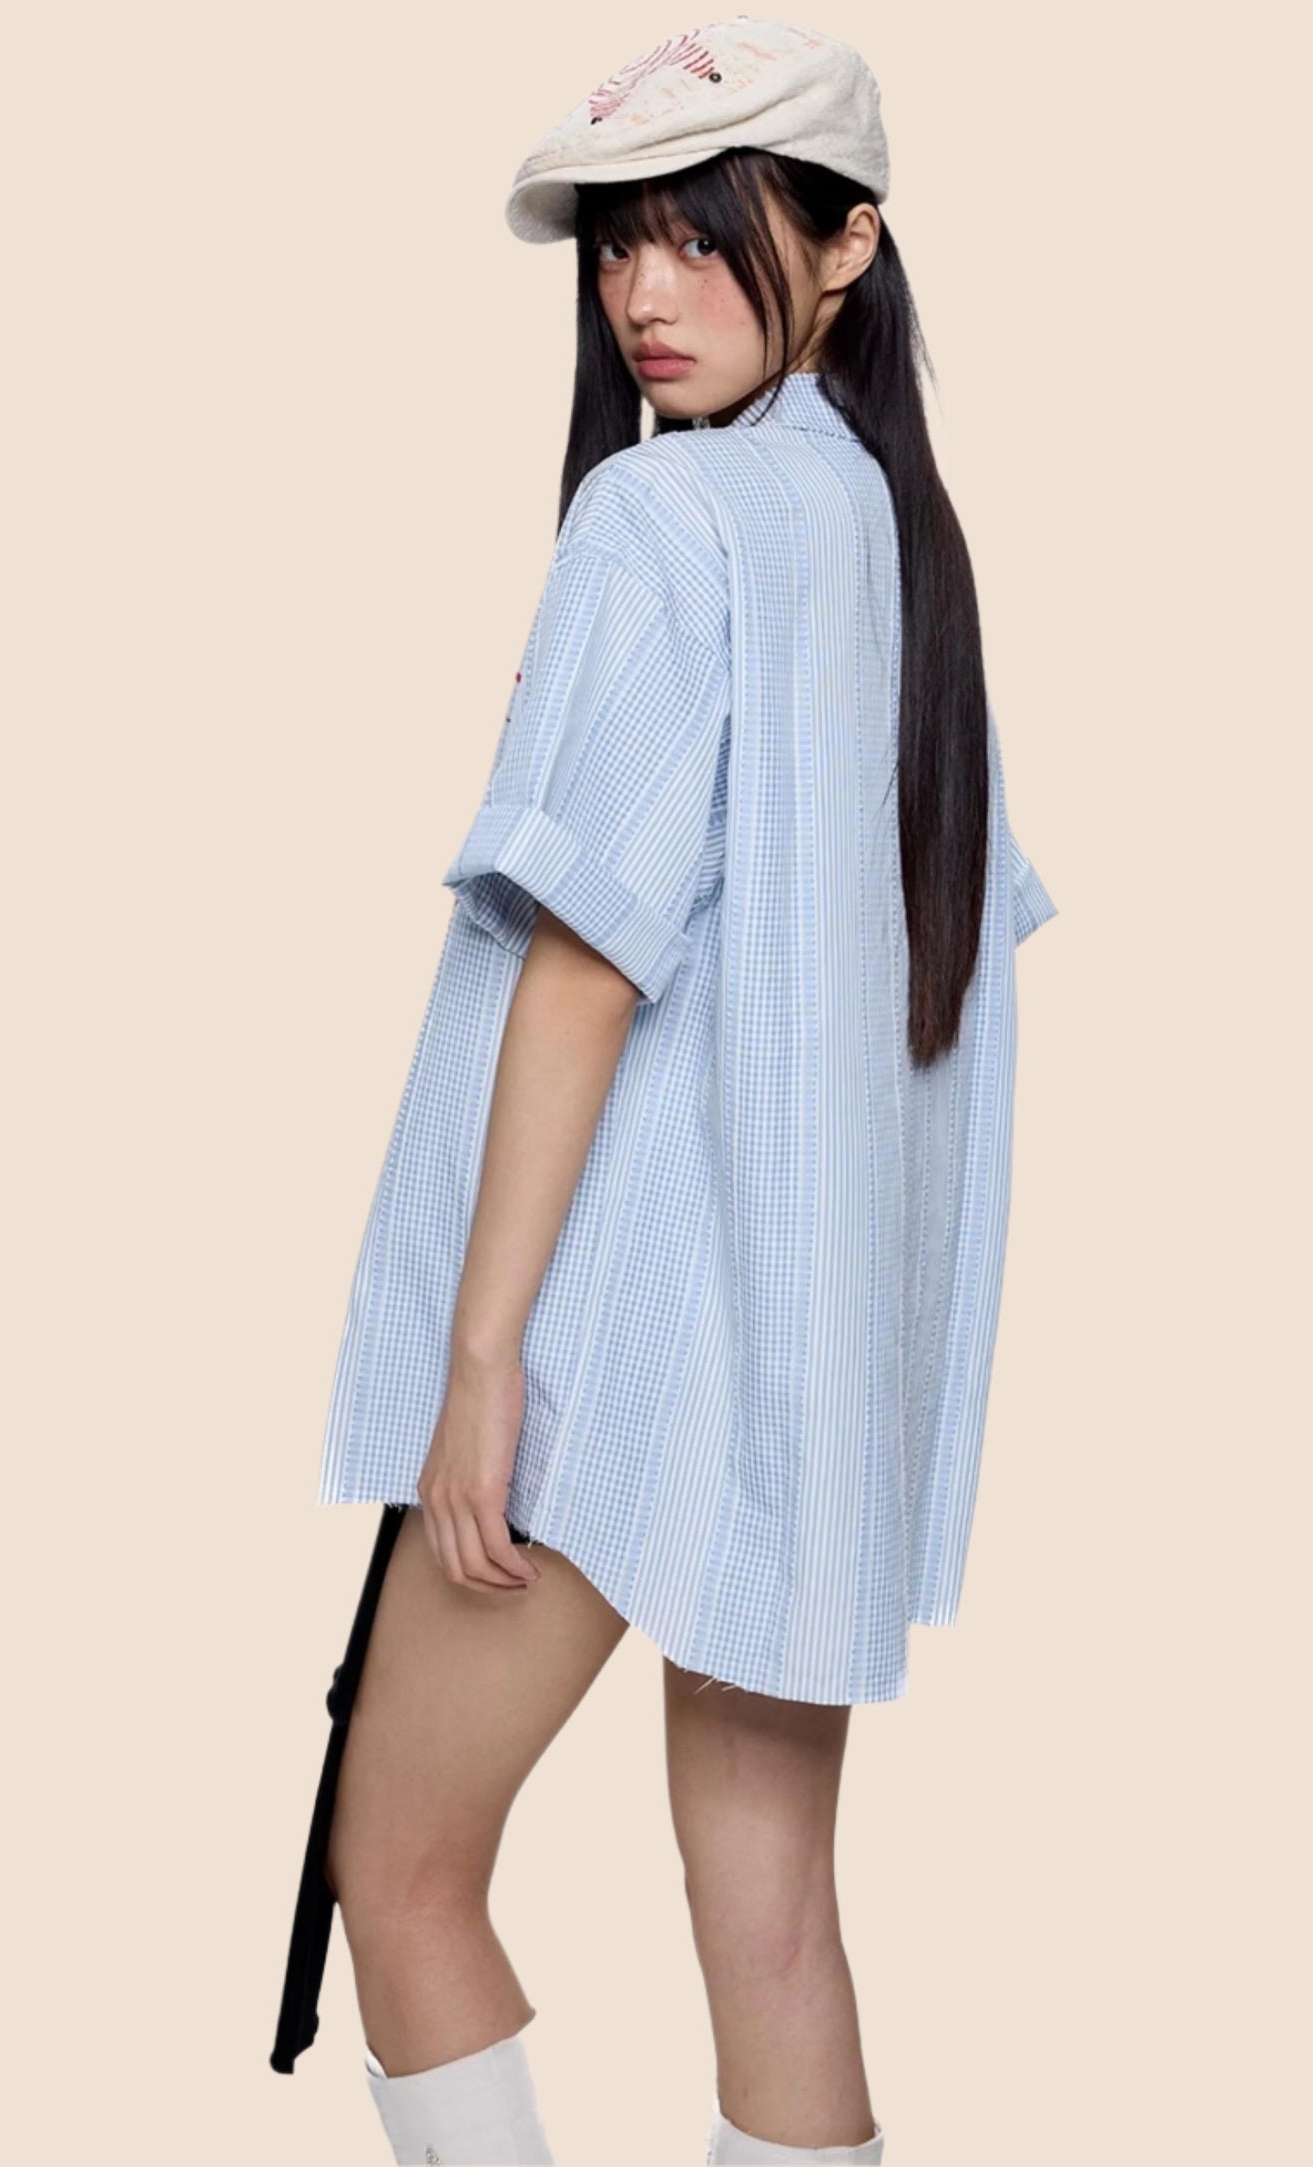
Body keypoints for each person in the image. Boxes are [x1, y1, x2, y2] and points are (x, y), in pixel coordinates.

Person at [271, 16, 1057, 2163]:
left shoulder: (661, 515)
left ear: (849, 243)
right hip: (805, 1357)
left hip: (613, 1345)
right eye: (619, 243)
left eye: (706, 238)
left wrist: (484, 1363)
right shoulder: (889, 540)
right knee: (772, 1915)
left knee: (397, 1862)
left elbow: (588, 966)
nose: (644, 289)